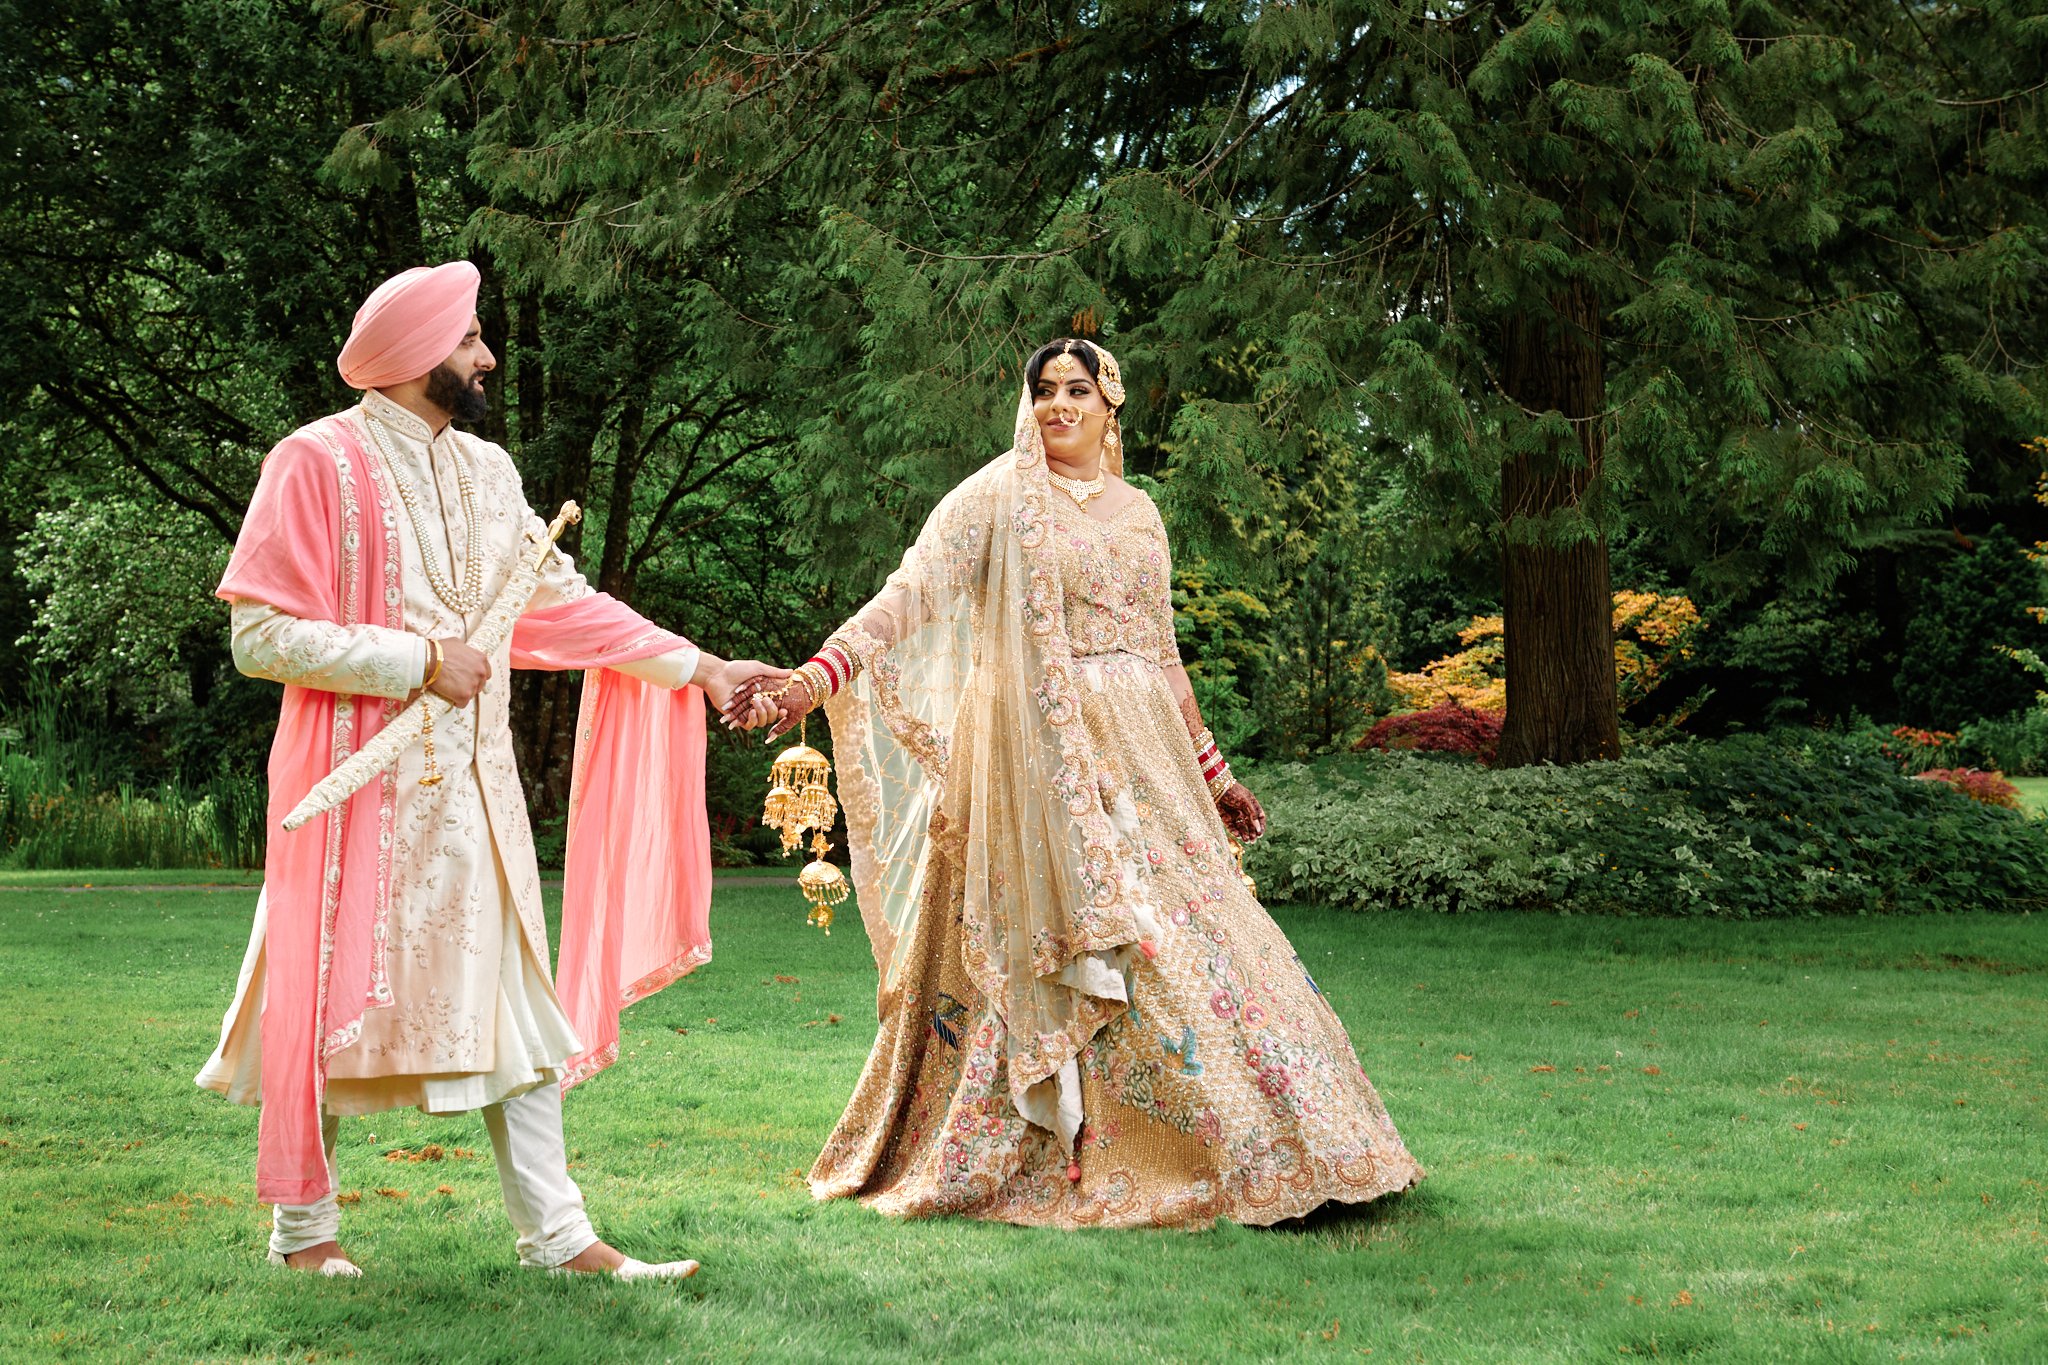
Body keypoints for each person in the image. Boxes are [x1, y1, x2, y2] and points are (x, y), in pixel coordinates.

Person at [730, 338, 1422, 1227]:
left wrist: (1216, 774)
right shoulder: (996, 498)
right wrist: (811, 679)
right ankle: (1097, 1150)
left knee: (1200, 939)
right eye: (1045, 391)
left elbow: (1165, 656)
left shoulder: (1141, 513)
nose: (1060, 406)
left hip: (1147, 757)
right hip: (1036, 763)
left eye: (1079, 390)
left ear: (1111, 404)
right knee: (1112, 940)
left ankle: (1286, 1143)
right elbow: (909, 596)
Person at [198, 260, 783, 1277]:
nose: (486, 355)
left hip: (476, 801)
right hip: (353, 798)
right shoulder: (313, 462)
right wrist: (415, 659)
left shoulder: (489, 473)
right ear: (418, 349)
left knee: (519, 1013)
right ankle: (304, 1237)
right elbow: (258, 637)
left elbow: (562, 606)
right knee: (328, 1006)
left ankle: (559, 1240)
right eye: (469, 338)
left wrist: (701, 668)